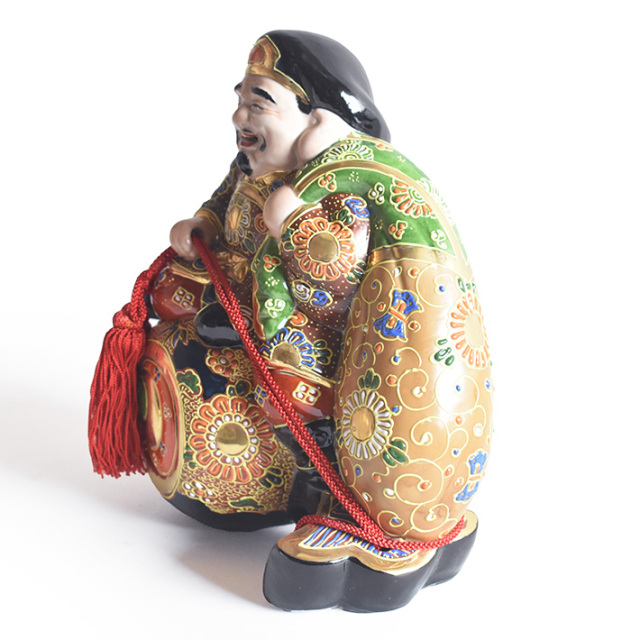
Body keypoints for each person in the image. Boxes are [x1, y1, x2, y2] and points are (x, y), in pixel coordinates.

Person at [166, 30, 492, 612]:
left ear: (318, 121)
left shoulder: (337, 190)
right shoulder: (249, 167)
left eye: (261, 103)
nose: (240, 117)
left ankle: (331, 491)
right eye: (240, 98)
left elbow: (333, 288)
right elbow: (223, 199)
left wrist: (293, 226)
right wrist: (205, 224)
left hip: (306, 332)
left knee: (287, 388)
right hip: (242, 298)